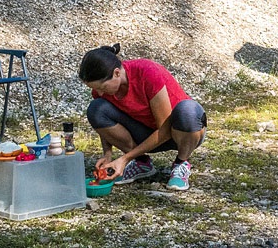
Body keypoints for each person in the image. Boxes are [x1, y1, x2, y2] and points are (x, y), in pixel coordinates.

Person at [78, 44, 207, 191]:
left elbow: (164, 130)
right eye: (95, 89)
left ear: (117, 73)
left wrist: (124, 159)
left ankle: (181, 163)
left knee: (188, 110)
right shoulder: (102, 90)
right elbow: (104, 125)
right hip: (147, 134)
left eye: (102, 87)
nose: (99, 93)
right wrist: (107, 154)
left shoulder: (147, 72)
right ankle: (142, 163)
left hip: (181, 131)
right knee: (96, 109)